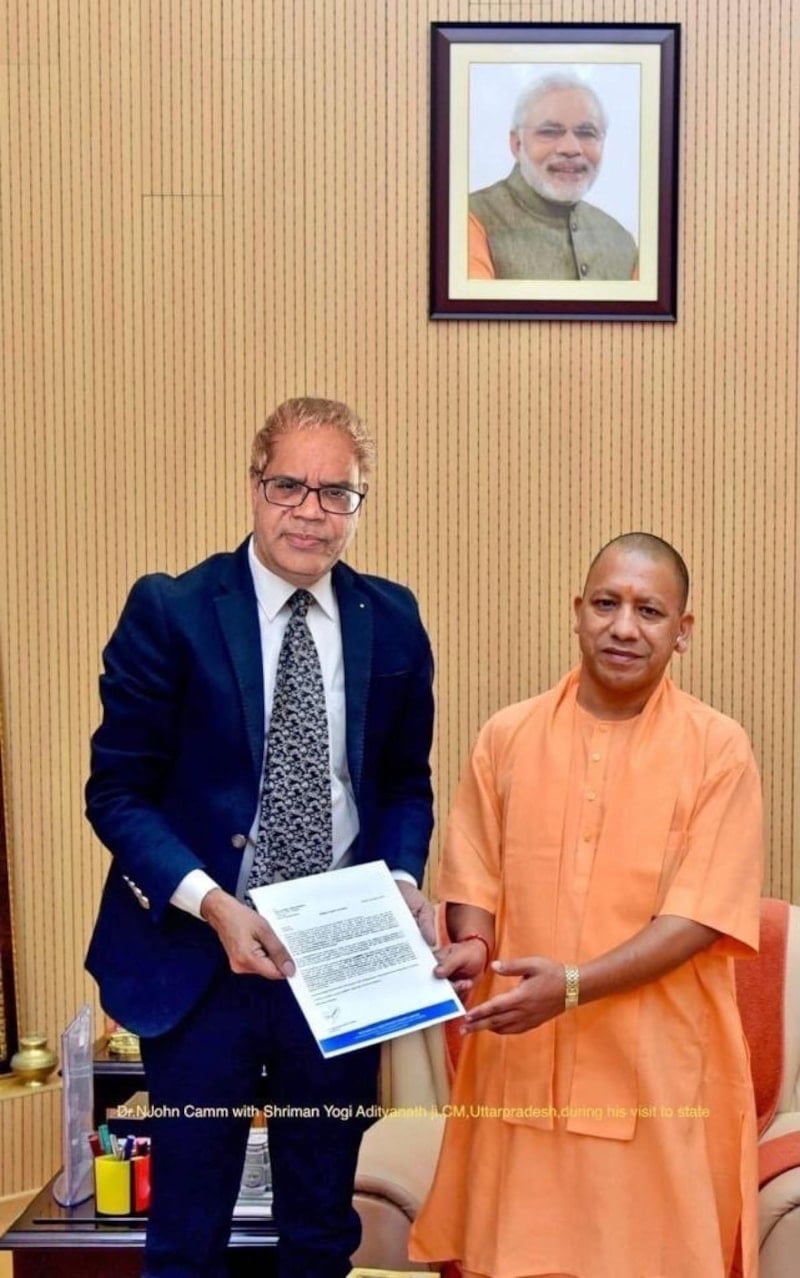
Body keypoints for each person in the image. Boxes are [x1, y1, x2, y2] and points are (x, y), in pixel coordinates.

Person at [85, 397, 435, 1278]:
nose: (310, 512)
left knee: (320, 1227)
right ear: (254, 486)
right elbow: (116, 794)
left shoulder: (392, 619)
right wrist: (213, 904)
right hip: (201, 961)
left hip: (337, 963)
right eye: (289, 486)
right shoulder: (172, 611)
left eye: (336, 493)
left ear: (360, 504)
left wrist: (401, 879)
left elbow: (404, 783)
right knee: (189, 1233)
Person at [410, 533, 762, 1278]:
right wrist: (473, 946)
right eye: (606, 603)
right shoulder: (507, 736)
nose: (624, 627)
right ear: (577, 612)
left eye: (649, 611)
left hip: (659, 1077)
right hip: (523, 1063)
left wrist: (571, 987)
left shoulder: (718, 750)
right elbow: (474, 882)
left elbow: (698, 917)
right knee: (514, 1259)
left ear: (683, 631)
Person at [469, 73, 638, 281]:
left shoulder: (621, 241)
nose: (571, 148)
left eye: (587, 133)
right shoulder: (470, 220)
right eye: (549, 132)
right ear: (517, 144)